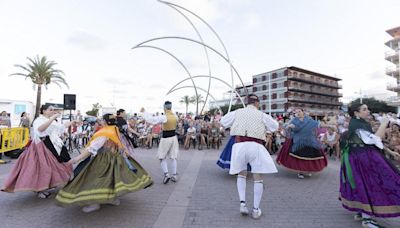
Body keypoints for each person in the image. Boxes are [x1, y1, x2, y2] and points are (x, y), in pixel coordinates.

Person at [55, 114, 153, 213]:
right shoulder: (114, 129)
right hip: (116, 158)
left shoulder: (104, 132)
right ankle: (112, 199)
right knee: (112, 179)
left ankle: (95, 203)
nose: (100, 121)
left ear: (105, 122)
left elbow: (92, 148)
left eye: (102, 119)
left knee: (94, 180)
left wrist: (77, 158)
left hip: (103, 160)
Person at [339, 103, 400, 227]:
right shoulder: (357, 125)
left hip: (362, 155)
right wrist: (383, 124)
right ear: (356, 113)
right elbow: (376, 138)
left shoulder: (360, 123)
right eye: (364, 109)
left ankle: (361, 212)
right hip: (361, 158)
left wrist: (390, 151)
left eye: (367, 109)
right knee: (369, 183)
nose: (368, 111)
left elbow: (372, 141)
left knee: (362, 183)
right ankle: (367, 219)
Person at [220, 94, 278, 219]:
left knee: (241, 174)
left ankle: (242, 204)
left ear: (247, 102)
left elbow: (223, 122)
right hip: (255, 146)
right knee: (257, 177)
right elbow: (274, 127)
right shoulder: (261, 114)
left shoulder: (237, 112)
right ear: (257, 103)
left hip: (239, 145)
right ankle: (256, 210)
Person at [2, 104, 73, 198]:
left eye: (53, 110)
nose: (52, 111)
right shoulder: (39, 120)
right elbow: (40, 130)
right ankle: (39, 190)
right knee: (42, 168)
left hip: (54, 145)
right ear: (44, 111)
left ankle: (48, 185)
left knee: (57, 165)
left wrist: (72, 122)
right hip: (41, 146)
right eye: (50, 109)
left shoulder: (52, 120)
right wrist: (53, 118)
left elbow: (59, 128)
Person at [276, 108, 328, 179]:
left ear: (303, 112)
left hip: (309, 140)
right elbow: (286, 126)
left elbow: (318, 124)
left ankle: (309, 169)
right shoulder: (294, 120)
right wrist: (289, 126)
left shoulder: (309, 120)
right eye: (296, 112)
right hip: (298, 141)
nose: (298, 113)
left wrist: (330, 126)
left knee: (310, 156)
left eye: (299, 111)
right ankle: (300, 171)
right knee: (299, 157)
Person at [141, 101, 179, 184]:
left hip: (166, 138)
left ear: (165, 107)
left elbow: (152, 120)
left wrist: (144, 112)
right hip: (174, 138)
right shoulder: (175, 116)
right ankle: (174, 175)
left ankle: (166, 174)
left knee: (162, 157)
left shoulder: (164, 117)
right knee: (173, 157)